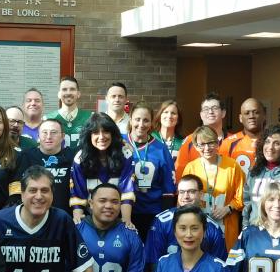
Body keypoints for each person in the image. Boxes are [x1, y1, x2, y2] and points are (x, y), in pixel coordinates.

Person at [143, 175, 227, 272]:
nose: (185, 196)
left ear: (201, 195)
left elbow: (219, 267)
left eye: (191, 191)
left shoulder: (213, 229)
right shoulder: (161, 222)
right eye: (181, 192)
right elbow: (153, 264)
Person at [182, 126, 244, 250]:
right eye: (201, 144)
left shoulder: (232, 166)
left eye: (211, 143)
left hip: (227, 226)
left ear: (218, 142)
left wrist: (229, 208)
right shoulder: (191, 167)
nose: (206, 148)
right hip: (198, 226)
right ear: (195, 146)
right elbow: (183, 198)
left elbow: (243, 195)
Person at [70, 113, 135, 228]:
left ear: (113, 134)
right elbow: (78, 194)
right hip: (90, 218)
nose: (101, 137)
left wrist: (125, 222)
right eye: (95, 132)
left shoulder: (125, 154)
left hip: (117, 216)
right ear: (89, 136)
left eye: (105, 131)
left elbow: (127, 191)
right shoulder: (80, 158)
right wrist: (78, 223)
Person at [126, 103, 176, 240]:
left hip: (152, 213)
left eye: (146, 120)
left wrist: (164, 220)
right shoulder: (118, 143)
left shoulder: (161, 149)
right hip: (123, 212)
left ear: (152, 123)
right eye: (137, 119)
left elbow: (168, 189)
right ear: (130, 119)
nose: (141, 124)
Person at [12, 118, 75, 213]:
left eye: (54, 132)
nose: (49, 136)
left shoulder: (72, 156)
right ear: (38, 136)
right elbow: (16, 186)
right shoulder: (26, 156)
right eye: (44, 132)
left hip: (64, 215)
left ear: (62, 136)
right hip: (32, 214)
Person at [174, 93, 227, 183]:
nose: (210, 112)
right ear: (201, 115)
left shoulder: (233, 141)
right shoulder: (189, 141)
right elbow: (181, 175)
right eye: (206, 109)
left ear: (223, 113)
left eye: (214, 108)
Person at [219, 97, 266, 177]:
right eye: (247, 113)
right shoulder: (228, 144)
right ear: (240, 118)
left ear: (264, 115)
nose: (251, 116)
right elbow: (222, 175)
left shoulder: (273, 142)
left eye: (256, 112)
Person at [52, 76, 93, 150]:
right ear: (58, 94)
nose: (68, 93)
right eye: (64, 89)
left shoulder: (90, 117)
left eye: (72, 89)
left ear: (78, 94)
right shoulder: (48, 119)